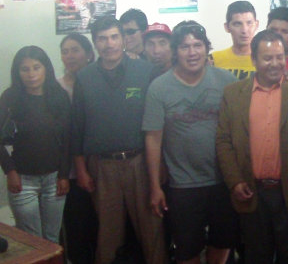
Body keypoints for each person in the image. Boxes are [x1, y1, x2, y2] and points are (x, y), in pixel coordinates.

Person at [216, 30, 288, 263]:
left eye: (280, 56)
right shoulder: (233, 94)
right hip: (251, 193)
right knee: (256, 257)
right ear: (254, 60)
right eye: (267, 58)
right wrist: (234, 181)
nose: (275, 64)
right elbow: (224, 141)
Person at [71, 16, 167, 264]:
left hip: (140, 163)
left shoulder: (145, 71)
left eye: (114, 37)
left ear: (124, 39)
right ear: (95, 43)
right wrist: (81, 170)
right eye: (102, 39)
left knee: (152, 230)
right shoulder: (84, 78)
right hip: (102, 167)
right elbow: (77, 128)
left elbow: (158, 124)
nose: (109, 43)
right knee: (108, 235)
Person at [143, 21, 238, 264]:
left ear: (207, 48)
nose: (192, 52)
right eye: (185, 47)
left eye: (198, 45)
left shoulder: (226, 81)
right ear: (175, 51)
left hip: (222, 182)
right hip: (182, 185)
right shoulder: (159, 87)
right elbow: (153, 138)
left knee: (223, 240)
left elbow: (239, 131)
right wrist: (155, 186)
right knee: (187, 249)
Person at [0, 46, 71, 243]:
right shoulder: (10, 98)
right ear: (17, 72)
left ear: (46, 68)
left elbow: (67, 140)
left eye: (36, 67)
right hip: (22, 180)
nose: (31, 74)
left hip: (54, 179)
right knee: (32, 240)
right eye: (25, 69)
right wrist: (10, 171)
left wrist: (64, 175)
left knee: (51, 238)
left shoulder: (59, 96)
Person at [58, 33, 98, 263]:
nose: (70, 56)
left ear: (89, 54)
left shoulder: (97, 83)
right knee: (76, 227)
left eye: (75, 50)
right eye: (65, 51)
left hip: (99, 165)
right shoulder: (56, 88)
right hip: (70, 172)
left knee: (100, 226)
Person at [211, 1, 259, 80]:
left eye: (249, 23)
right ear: (227, 27)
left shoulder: (266, 60)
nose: (244, 30)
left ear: (256, 25)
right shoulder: (214, 60)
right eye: (237, 24)